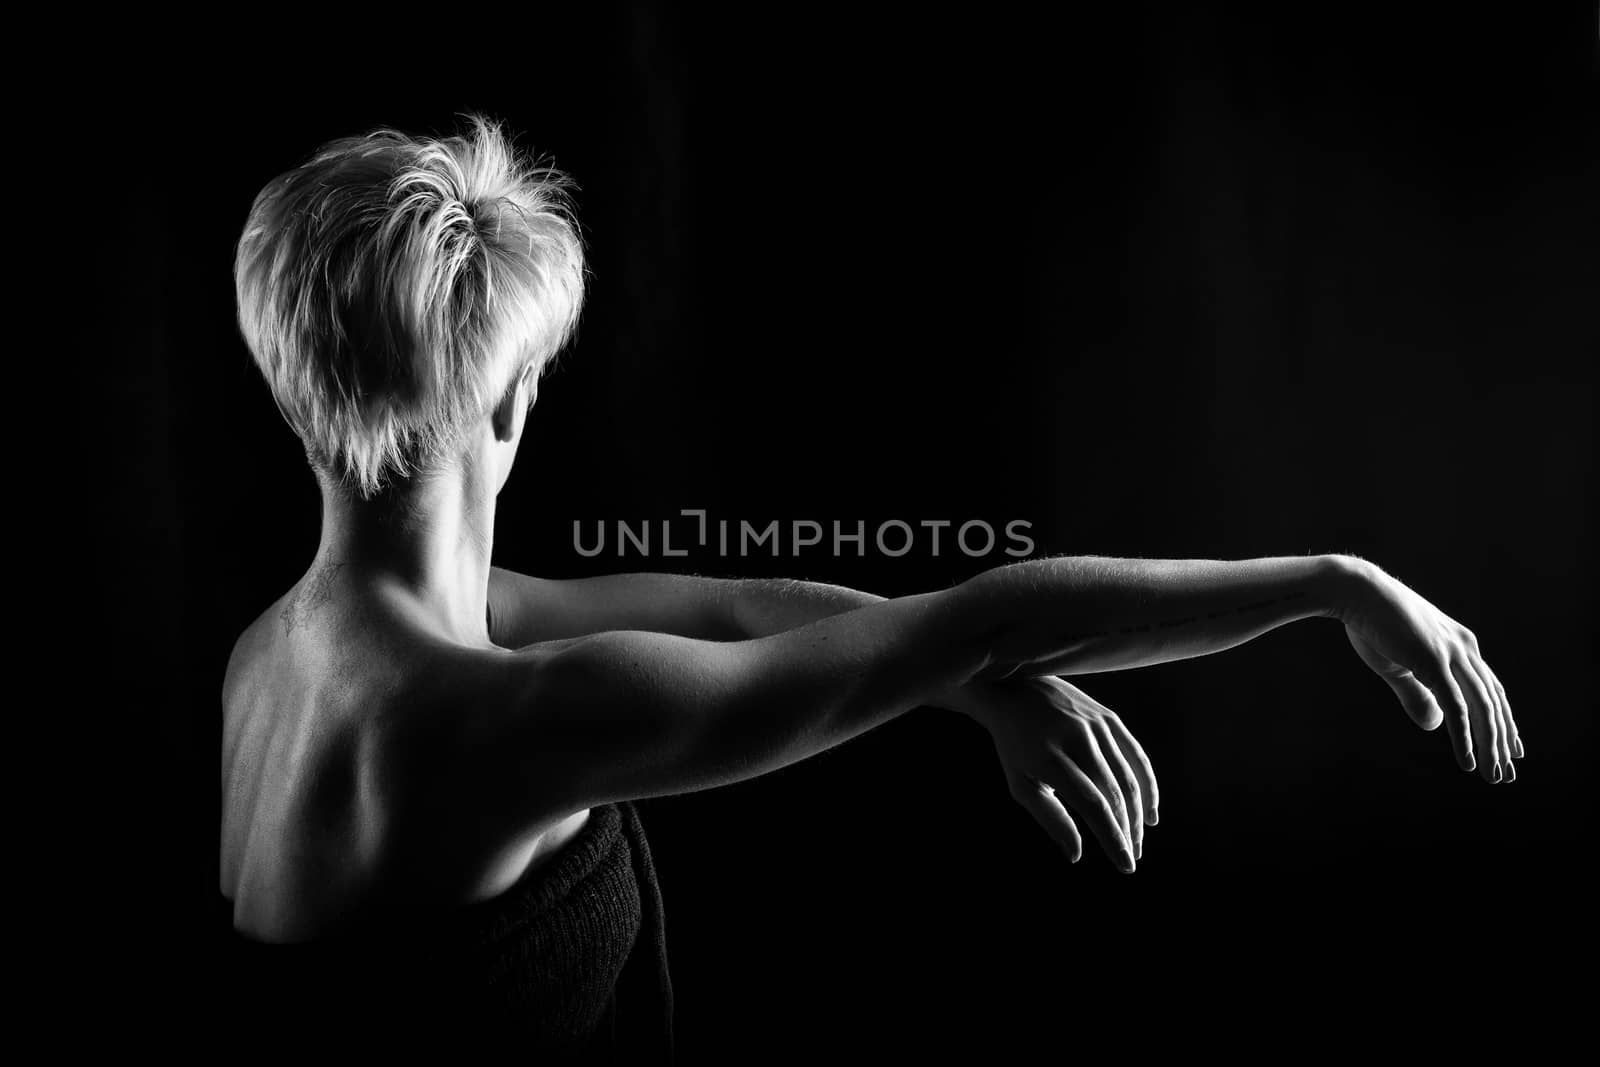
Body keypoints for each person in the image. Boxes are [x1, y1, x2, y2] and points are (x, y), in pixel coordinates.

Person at [219, 115, 1522, 1051]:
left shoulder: (286, 656)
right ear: (508, 403)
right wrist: (1328, 581)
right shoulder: (507, 727)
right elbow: (985, 610)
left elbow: (742, 611)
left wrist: (974, 694)